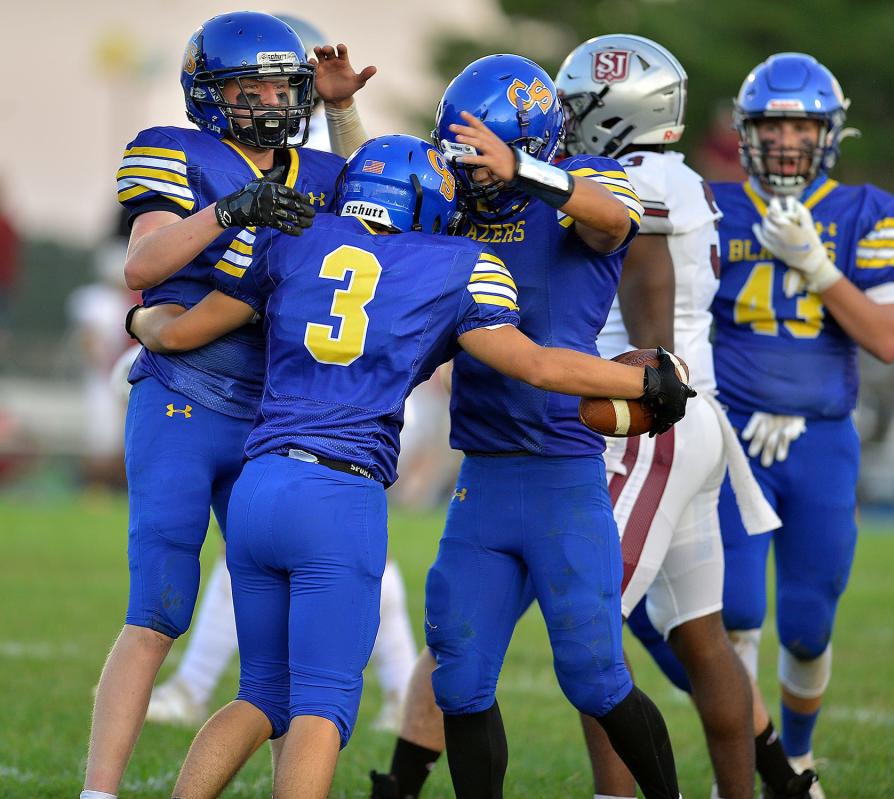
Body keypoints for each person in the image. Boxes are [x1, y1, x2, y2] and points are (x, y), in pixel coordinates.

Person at [125, 133, 690, 799]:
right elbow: (536, 363)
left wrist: (143, 327)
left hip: (260, 482)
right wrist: (648, 385)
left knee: (260, 695)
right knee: (322, 706)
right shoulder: (455, 261)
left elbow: (181, 331)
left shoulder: (290, 238)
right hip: (339, 493)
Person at [81, 12, 373, 799]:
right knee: (160, 608)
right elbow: (143, 262)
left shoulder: (317, 166)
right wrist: (234, 208)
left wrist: (344, 112)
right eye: (254, 86)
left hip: (276, 415)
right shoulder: (175, 151)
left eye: (286, 84)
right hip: (184, 398)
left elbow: (384, 202)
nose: (274, 99)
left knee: (274, 643)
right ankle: (98, 790)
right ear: (210, 95)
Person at [391, 54, 688, 799]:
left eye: (486, 155)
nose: (474, 171)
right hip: (484, 475)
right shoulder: (457, 212)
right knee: (458, 674)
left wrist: (524, 170)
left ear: (529, 143)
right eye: (466, 155)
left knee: (594, 675)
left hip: (562, 472)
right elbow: (374, 195)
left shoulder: (578, 184)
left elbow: (614, 218)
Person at [554, 34, 786, 799]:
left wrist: (528, 178)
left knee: (592, 624)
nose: (567, 119)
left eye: (578, 106)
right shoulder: (680, 176)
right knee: (700, 631)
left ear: (613, 114)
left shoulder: (634, 182)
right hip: (696, 418)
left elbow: (619, 246)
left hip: (650, 415)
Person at [706, 53, 894, 799]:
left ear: (829, 130)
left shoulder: (867, 212)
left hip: (822, 437)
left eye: (802, 123)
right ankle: (744, 771)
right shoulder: (710, 205)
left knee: (805, 621)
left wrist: (821, 270)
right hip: (730, 434)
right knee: (733, 613)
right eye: (773, 122)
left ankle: (793, 757)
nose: (788, 137)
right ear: (748, 130)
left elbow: (886, 339)